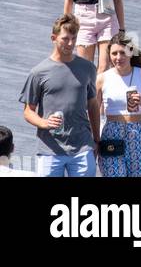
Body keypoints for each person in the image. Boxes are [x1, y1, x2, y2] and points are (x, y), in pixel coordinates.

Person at [20, 15, 100, 177]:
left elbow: (92, 104)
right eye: (65, 39)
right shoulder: (38, 72)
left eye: (74, 38)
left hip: (82, 146)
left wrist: (96, 140)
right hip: (50, 149)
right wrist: (44, 122)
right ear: (53, 38)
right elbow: (28, 111)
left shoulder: (88, 68)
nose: (70, 43)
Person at [94, 30, 141, 178]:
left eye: (122, 53)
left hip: (136, 134)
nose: (118, 57)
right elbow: (93, 112)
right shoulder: (102, 78)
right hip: (111, 134)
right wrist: (94, 139)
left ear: (131, 52)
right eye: (114, 53)